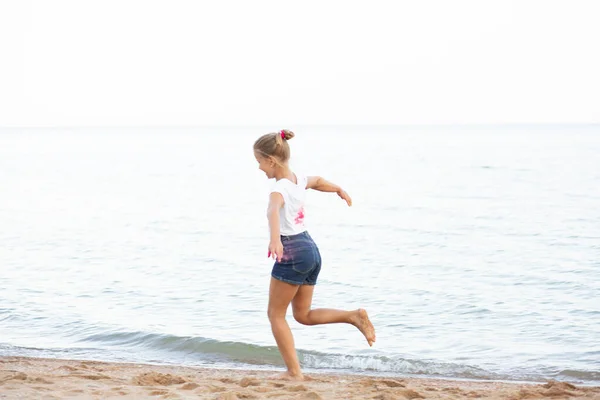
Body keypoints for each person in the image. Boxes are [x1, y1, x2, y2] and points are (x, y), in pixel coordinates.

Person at [253, 129, 376, 381]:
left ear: (271, 161)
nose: (259, 168)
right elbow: (317, 181)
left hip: (292, 251)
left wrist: (275, 239)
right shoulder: (298, 180)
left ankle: (293, 372)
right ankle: (353, 316)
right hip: (310, 249)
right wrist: (338, 189)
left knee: (275, 315)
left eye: (260, 162)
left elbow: (272, 211)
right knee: (302, 315)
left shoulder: (279, 189)